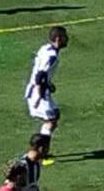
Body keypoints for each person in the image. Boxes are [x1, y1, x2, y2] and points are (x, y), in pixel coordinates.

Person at [25, 26, 69, 160]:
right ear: (58, 39)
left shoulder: (45, 48)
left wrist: (49, 84)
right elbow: (39, 75)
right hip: (39, 93)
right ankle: (40, 152)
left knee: (54, 117)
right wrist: (39, 94)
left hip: (40, 90)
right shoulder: (52, 56)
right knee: (51, 120)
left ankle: (42, 150)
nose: (67, 39)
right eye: (64, 37)